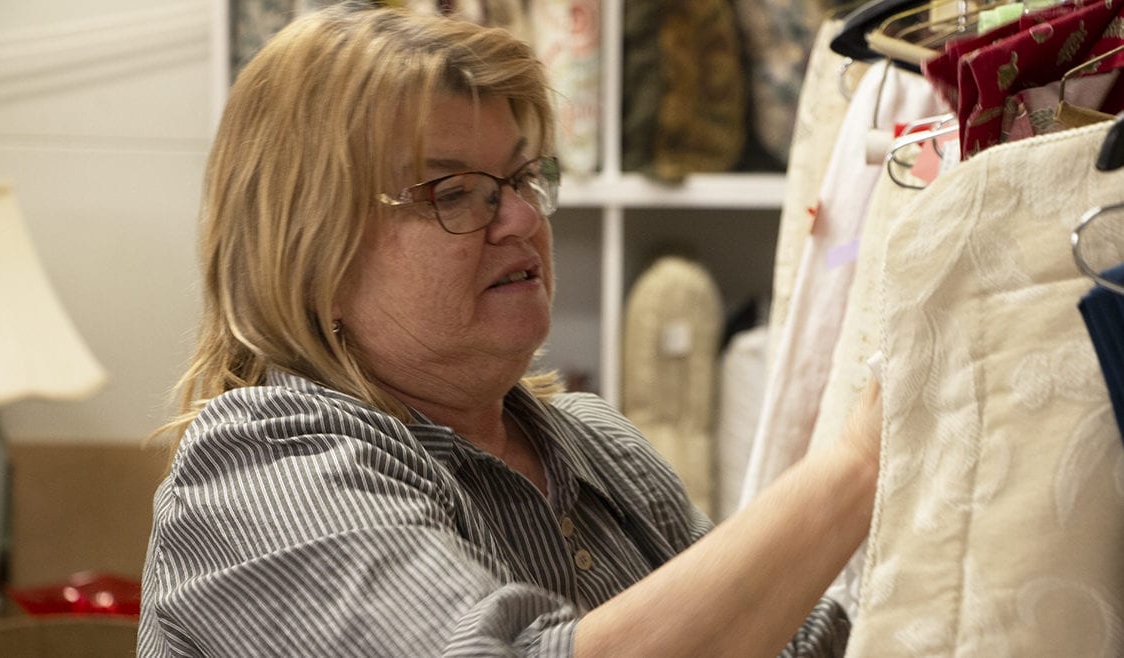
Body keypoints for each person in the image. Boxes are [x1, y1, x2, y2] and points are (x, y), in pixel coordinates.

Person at [137, 4, 883, 657]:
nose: (523, 219)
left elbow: (795, 645)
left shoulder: (599, 449)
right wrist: (859, 464)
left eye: (523, 179)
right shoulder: (261, 470)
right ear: (309, 255)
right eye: (455, 193)